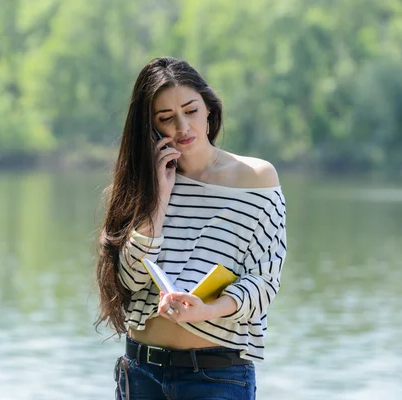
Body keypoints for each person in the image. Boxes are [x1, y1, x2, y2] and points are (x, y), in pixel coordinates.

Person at [95, 56, 287, 400]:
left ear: (209, 109)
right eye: (166, 118)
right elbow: (130, 280)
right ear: (152, 128)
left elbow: (264, 281)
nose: (183, 127)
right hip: (141, 374)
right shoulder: (141, 185)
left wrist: (207, 310)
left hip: (214, 377)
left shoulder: (256, 180)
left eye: (191, 110)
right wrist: (159, 198)